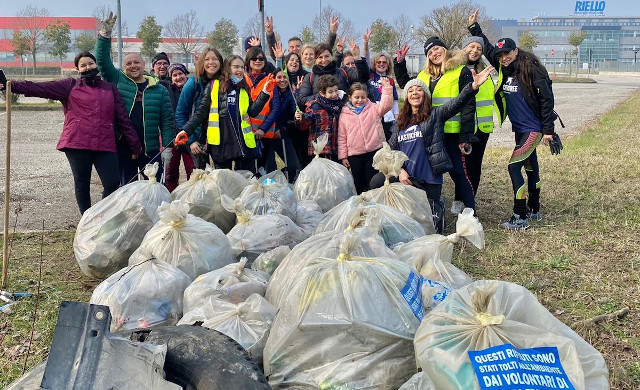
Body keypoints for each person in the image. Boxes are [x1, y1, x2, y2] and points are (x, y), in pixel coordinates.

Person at [0, 52, 142, 214]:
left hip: (105, 143)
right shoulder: (70, 85)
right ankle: (86, 221)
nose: (88, 67)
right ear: (78, 69)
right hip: (77, 143)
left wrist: (135, 144)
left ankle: (99, 217)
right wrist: (10, 84)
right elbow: (40, 88)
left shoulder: (110, 89)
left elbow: (123, 118)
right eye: (83, 65)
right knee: (82, 183)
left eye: (90, 63)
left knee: (112, 182)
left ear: (96, 65)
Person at [369, 67, 494, 233]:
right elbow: (390, 151)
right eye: (411, 90)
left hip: (428, 179)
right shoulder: (400, 123)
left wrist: (473, 87)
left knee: (430, 227)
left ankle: (438, 202)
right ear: (406, 97)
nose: (415, 93)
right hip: (407, 177)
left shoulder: (435, 115)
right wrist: (399, 171)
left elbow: (457, 103)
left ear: (425, 95)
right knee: (377, 182)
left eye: (419, 89)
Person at [468, 9, 559, 230]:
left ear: (516, 51)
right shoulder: (503, 67)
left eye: (507, 53)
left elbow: (547, 100)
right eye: (501, 56)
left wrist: (548, 130)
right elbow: (489, 49)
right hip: (520, 129)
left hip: (533, 130)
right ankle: (535, 209)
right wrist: (474, 28)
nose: (503, 57)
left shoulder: (531, 70)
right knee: (531, 169)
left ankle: (520, 216)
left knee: (512, 167)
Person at [395, 37, 478, 215]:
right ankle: (427, 206)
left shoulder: (459, 70)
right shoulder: (424, 75)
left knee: (458, 174)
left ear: (445, 49)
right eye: (430, 52)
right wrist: (400, 63)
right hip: (428, 132)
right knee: (425, 172)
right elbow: (409, 87)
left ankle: (472, 213)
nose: (434, 54)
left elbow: (467, 104)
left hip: (452, 133)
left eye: (437, 49)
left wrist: (465, 135)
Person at [96, 12, 174, 184]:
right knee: (127, 190)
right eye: (128, 64)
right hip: (123, 148)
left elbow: (167, 121)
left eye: (136, 62)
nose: (133, 66)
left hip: (151, 149)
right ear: (123, 68)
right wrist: (105, 35)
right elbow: (101, 61)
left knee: (153, 190)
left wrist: (167, 147)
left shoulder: (159, 89)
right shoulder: (117, 80)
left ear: (144, 64)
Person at [177, 55, 273, 172]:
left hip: (243, 143)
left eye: (242, 67)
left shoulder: (243, 87)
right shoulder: (213, 86)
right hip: (222, 143)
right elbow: (200, 113)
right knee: (224, 182)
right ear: (227, 68)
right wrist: (186, 130)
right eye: (236, 67)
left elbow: (252, 112)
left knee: (246, 180)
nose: (240, 70)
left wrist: (265, 93)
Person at [460, 33, 498, 201]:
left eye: (479, 48)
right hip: (462, 128)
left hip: (482, 128)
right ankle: (460, 198)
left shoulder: (486, 71)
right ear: (464, 49)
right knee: (463, 168)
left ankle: (470, 200)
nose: (475, 51)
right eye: (472, 47)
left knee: (475, 167)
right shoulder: (454, 70)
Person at [338, 80, 393, 194]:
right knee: (358, 182)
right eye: (356, 97)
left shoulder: (373, 108)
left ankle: (374, 204)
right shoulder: (344, 115)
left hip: (374, 151)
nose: (360, 100)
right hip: (355, 155)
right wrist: (343, 157)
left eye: (363, 97)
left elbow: (386, 105)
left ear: (367, 97)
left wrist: (387, 87)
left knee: (372, 181)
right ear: (350, 97)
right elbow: (342, 137)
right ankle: (361, 205)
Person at [175, 47, 224, 169]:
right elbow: (180, 114)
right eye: (207, 59)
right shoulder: (193, 83)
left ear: (221, 62)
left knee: (221, 174)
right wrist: (191, 141)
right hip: (197, 139)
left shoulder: (224, 83)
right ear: (202, 62)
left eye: (215, 59)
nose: (211, 62)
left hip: (219, 138)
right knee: (202, 176)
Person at [297, 42, 369, 109]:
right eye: (320, 57)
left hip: (344, 116)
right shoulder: (310, 77)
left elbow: (363, 77)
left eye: (327, 56)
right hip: (322, 119)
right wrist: (323, 95)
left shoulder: (343, 71)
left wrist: (357, 57)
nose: (324, 60)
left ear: (331, 56)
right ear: (315, 59)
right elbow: (303, 100)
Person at [260, 68, 300, 182]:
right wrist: (275, 128)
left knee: (293, 165)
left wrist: (297, 114)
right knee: (269, 167)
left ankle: (285, 183)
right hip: (267, 132)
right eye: (279, 77)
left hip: (283, 133)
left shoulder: (290, 93)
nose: (282, 80)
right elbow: (268, 112)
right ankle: (270, 188)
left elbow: (294, 109)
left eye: (284, 77)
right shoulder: (270, 92)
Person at [245, 47, 279, 173]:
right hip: (246, 134)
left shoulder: (269, 80)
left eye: (261, 58)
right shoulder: (242, 80)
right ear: (248, 61)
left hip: (264, 134)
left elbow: (275, 109)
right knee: (248, 171)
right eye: (254, 58)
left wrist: (262, 129)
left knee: (265, 171)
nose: (257, 61)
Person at [162, 63, 195, 192]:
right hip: (173, 137)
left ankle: (191, 197)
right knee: (171, 171)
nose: (178, 77)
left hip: (190, 136)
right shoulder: (166, 91)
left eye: (180, 74)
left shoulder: (193, 89)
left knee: (192, 171)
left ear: (185, 74)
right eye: (174, 75)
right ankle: (171, 195)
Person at [297, 74, 344, 159]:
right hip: (320, 151)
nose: (334, 94)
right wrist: (300, 118)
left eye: (336, 90)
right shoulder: (314, 106)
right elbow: (303, 125)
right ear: (322, 93)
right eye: (330, 92)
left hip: (337, 149)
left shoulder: (340, 106)